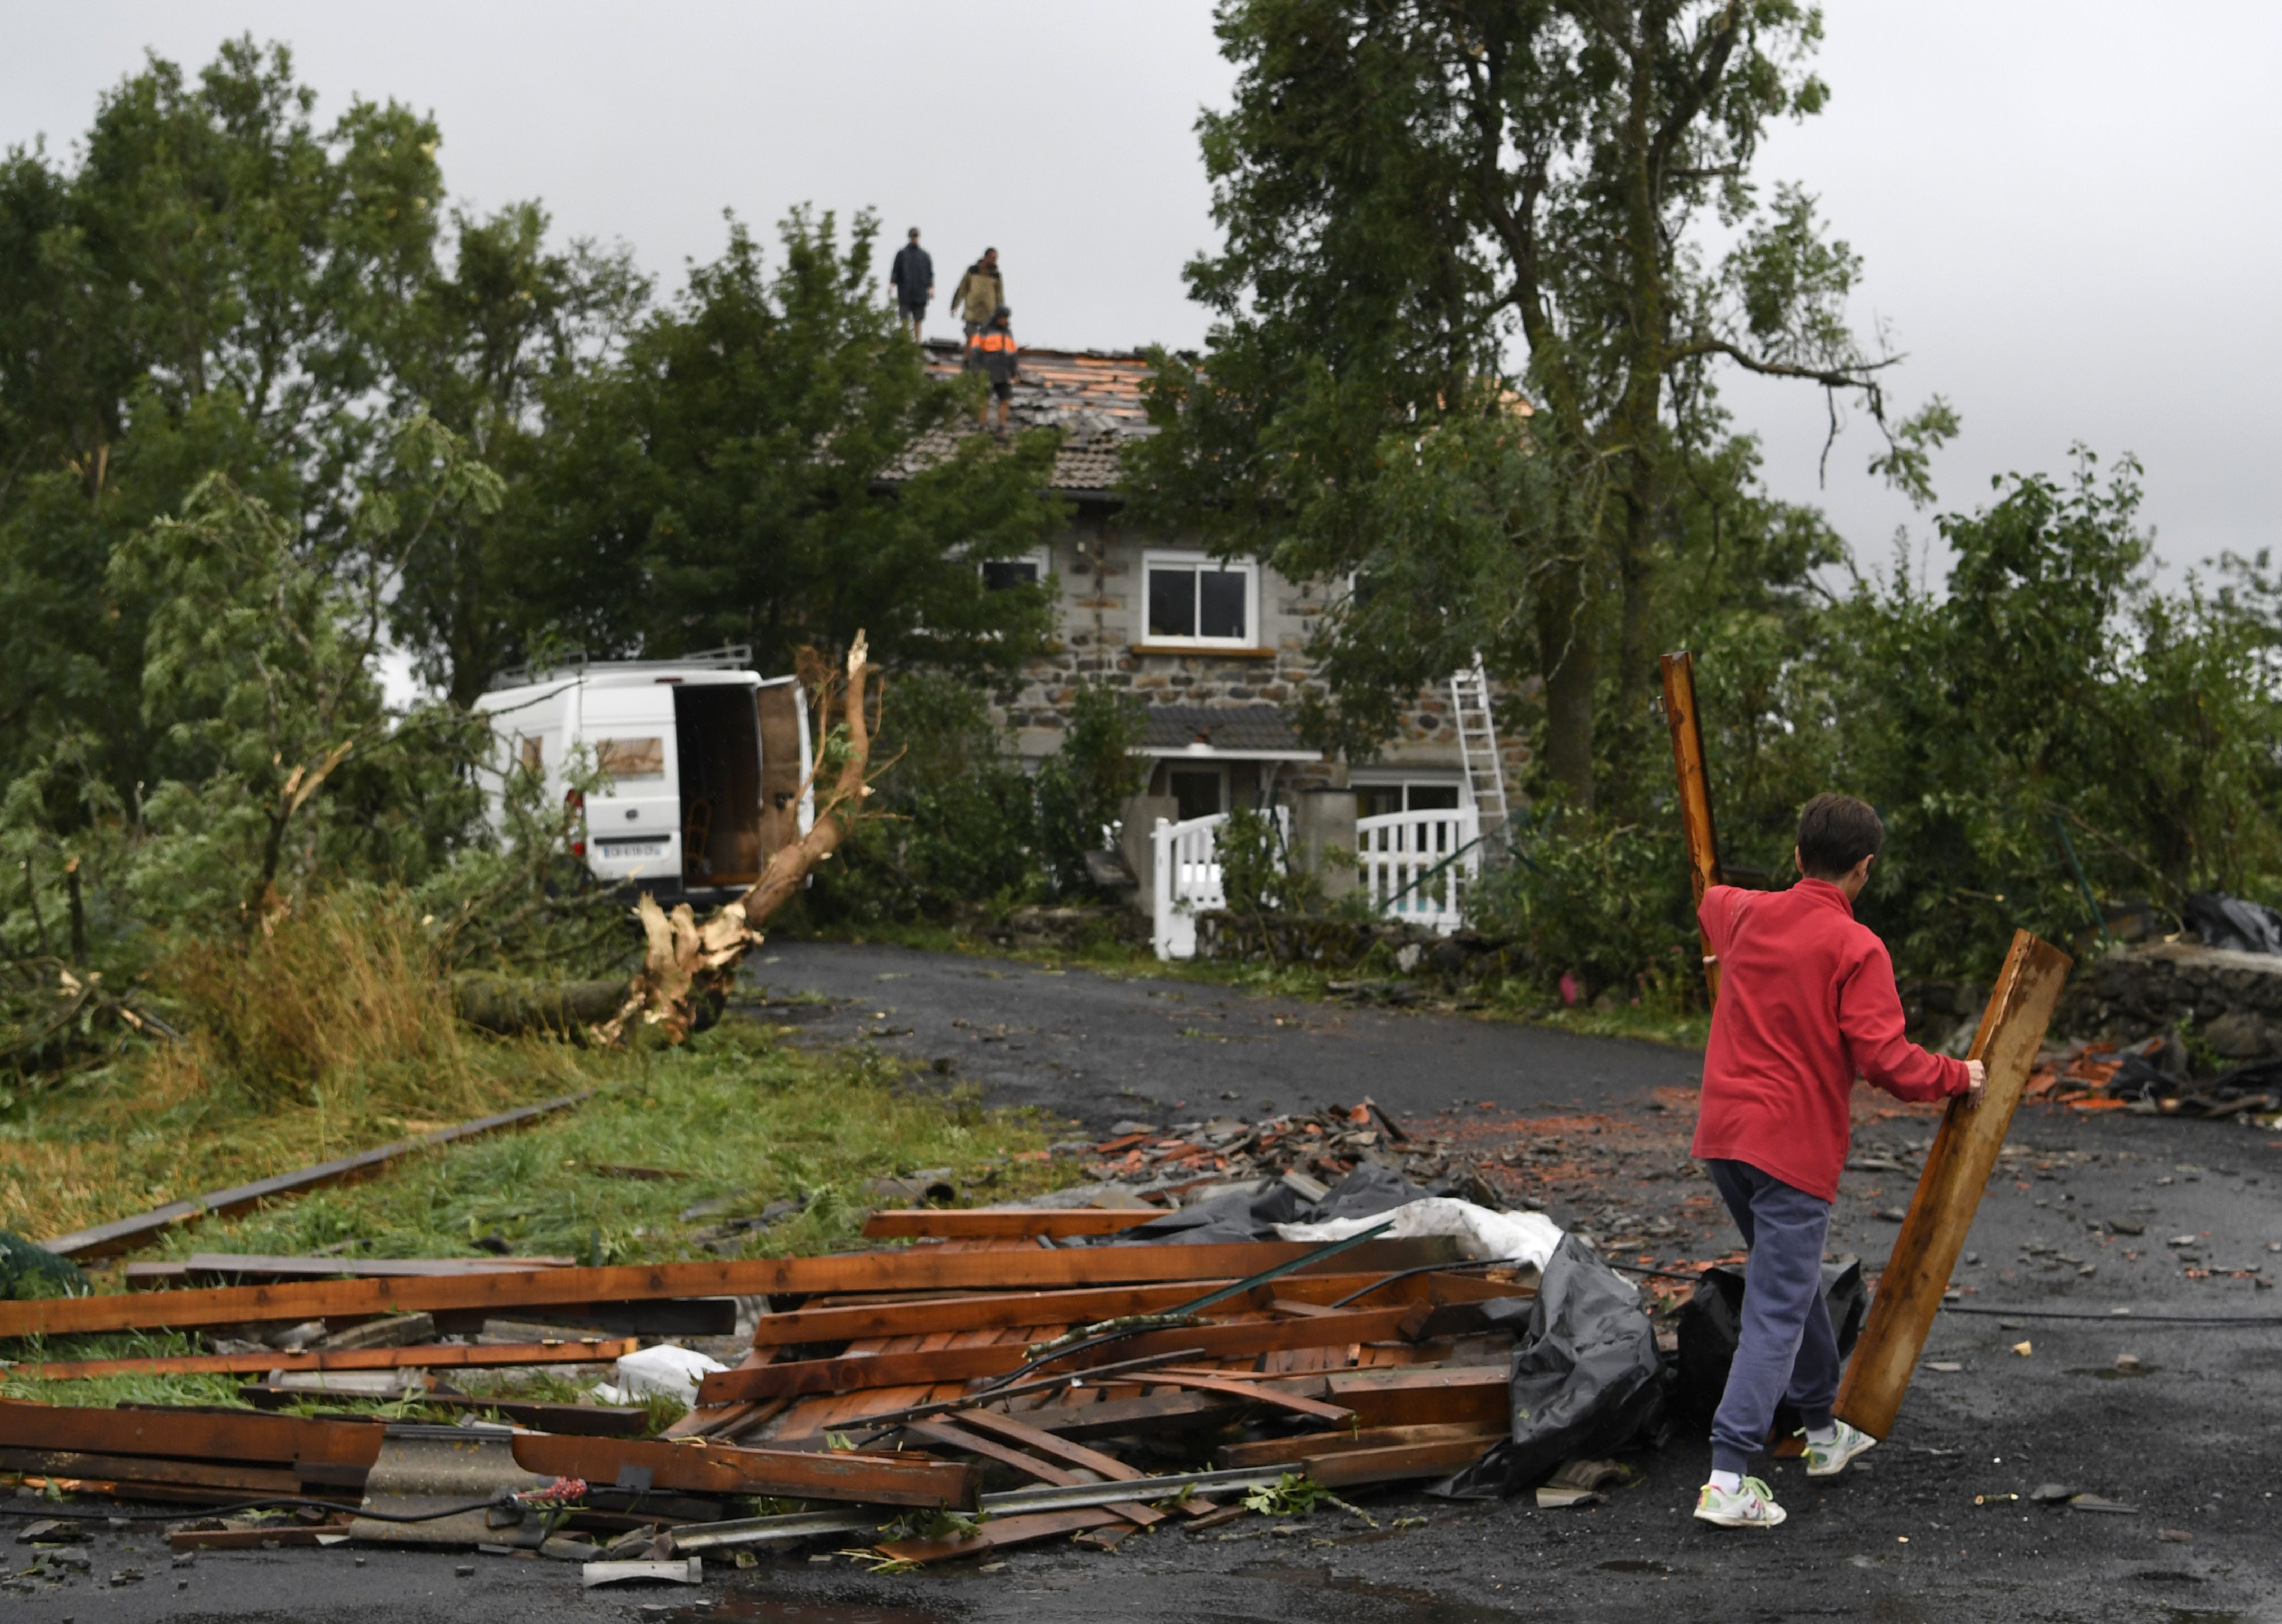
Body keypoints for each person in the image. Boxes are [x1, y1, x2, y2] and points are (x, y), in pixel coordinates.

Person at [1689, 793, 1985, 1530]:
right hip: (1792, 1151)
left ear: (1796, 856)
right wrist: (1961, 1075)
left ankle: (1822, 1432)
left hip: (1725, 1139)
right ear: (1866, 869)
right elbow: (1888, 1060)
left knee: (1790, 1283)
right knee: (1778, 1307)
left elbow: (1710, 897)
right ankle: (1728, 1474)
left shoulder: (1744, 913)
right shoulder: (1858, 948)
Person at [964, 305, 1017, 430]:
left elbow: (1013, 355)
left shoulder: (1008, 334)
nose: (1007, 321)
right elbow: (976, 352)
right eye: (1005, 318)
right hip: (987, 372)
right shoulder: (984, 330)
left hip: (1003, 373)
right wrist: (976, 371)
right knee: (983, 399)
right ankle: (981, 426)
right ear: (998, 318)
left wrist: (1014, 372)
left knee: (1006, 399)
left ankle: (1001, 427)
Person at [888, 228, 933, 340]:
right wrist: (892, 284)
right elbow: (896, 271)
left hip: (920, 292)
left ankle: (918, 343)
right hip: (905, 292)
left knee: (918, 319)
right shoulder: (902, 254)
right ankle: (905, 341)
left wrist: (931, 287)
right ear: (909, 237)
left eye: (916, 236)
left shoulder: (924, 256)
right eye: (913, 236)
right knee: (904, 319)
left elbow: (929, 273)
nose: (914, 238)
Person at [951, 247, 1003, 338]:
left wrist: (1001, 314)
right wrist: (955, 306)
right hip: (972, 311)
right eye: (993, 258)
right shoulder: (973, 271)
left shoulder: (996, 275)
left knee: (987, 339)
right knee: (971, 337)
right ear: (986, 257)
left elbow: (999, 295)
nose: (994, 261)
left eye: (996, 259)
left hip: (988, 312)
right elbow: (963, 288)